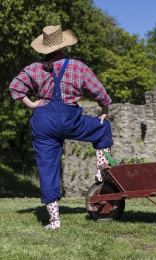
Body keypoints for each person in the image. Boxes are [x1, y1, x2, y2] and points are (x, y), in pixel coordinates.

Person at [9, 25, 114, 229]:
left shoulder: (33, 68)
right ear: (64, 46)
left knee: (47, 168)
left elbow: (15, 86)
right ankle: (101, 171)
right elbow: (99, 91)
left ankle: (54, 220)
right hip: (69, 120)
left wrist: (31, 104)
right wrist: (104, 111)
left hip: (43, 122)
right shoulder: (77, 66)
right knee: (102, 128)